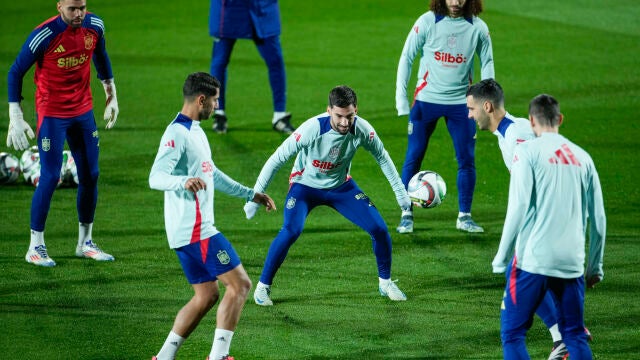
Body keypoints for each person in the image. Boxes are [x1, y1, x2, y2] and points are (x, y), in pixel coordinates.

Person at [244, 85, 411, 306]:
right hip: (305, 187)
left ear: (356, 111)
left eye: (349, 116)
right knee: (291, 230)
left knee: (379, 229)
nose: (344, 122)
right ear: (329, 110)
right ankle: (262, 288)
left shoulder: (363, 129)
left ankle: (385, 283)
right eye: (339, 116)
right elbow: (277, 159)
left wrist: (401, 194)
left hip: (341, 187)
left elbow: (382, 157)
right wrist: (254, 197)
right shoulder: (312, 129)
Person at [149, 72, 276, 360]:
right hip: (195, 230)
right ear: (201, 99)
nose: (217, 106)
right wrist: (182, 181)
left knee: (206, 295)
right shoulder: (176, 133)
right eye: (215, 100)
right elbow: (155, 177)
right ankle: (218, 357)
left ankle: (164, 357)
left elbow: (211, 173)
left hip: (189, 232)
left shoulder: (196, 130)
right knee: (240, 284)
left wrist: (250, 193)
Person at [491, 94, 606, 359]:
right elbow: (598, 220)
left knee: (513, 334)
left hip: (533, 261)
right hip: (572, 262)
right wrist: (595, 267)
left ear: (531, 121)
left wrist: (501, 255)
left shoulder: (526, 151)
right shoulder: (584, 158)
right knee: (575, 336)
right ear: (560, 119)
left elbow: (518, 206)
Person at [7, 0, 119, 267]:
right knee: (49, 176)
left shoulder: (95, 26)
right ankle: (35, 246)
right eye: (72, 8)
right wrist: (16, 115)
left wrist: (111, 95)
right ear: (59, 7)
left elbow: (101, 56)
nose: (78, 13)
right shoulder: (43, 35)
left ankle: (85, 243)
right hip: (52, 114)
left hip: (83, 111)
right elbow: (15, 72)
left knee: (91, 174)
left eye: (82, 7)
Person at [467, 79, 568, 359]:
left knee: (511, 329)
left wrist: (505, 248)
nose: (469, 115)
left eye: (472, 108)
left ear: (487, 106)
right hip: (544, 221)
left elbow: (532, 183)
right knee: (529, 279)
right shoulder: (507, 132)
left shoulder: (517, 132)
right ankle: (565, 336)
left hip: (542, 222)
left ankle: (568, 335)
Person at [395, 0, 494, 234]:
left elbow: (487, 62)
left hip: (461, 103)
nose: (455, 2)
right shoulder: (428, 21)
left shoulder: (478, 27)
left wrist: (487, 103)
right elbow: (406, 57)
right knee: (414, 156)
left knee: (466, 159)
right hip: (426, 101)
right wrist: (401, 100)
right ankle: (406, 214)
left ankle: (464, 216)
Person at [208, 0, 294, 134]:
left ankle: (279, 115)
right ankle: (219, 113)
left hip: (262, 8)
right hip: (229, 9)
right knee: (220, 61)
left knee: (275, 61)